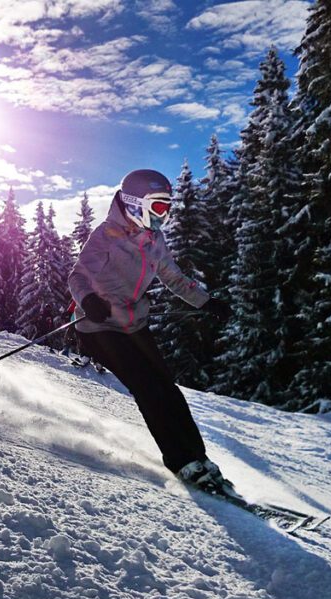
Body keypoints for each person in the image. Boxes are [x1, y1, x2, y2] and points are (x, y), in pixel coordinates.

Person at [68, 169, 233, 491]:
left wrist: (205, 302)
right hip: (99, 325)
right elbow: (77, 276)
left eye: (167, 208)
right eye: (158, 207)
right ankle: (181, 461)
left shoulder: (154, 239)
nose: (164, 215)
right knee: (148, 388)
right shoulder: (105, 235)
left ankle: (199, 457)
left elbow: (173, 277)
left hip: (133, 323)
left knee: (168, 389)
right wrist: (88, 299)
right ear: (133, 203)